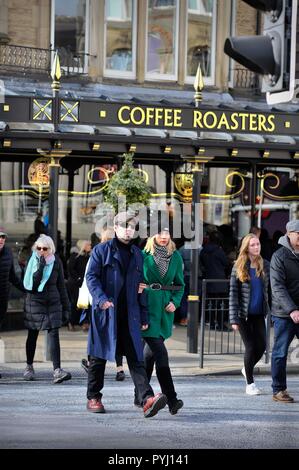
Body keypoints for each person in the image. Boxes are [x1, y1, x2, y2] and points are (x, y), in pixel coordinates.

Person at [85, 212, 167, 416]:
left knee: (136, 358)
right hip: (106, 312)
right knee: (98, 357)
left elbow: (142, 287)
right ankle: (94, 397)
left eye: (132, 226)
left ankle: (146, 399)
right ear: (115, 227)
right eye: (125, 226)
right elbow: (91, 277)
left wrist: (145, 315)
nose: (129, 229)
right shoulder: (101, 250)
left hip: (130, 314)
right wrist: (101, 299)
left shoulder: (138, 254)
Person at [138, 229, 185, 415]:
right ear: (152, 236)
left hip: (165, 311)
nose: (164, 237)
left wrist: (175, 302)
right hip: (147, 309)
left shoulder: (176, 257)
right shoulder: (142, 256)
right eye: (160, 233)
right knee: (160, 354)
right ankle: (172, 399)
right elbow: (135, 281)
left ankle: (140, 395)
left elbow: (180, 285)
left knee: (148, 356)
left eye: (167, 234)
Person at [23, 234, 72, 384]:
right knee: (33, 334)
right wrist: (41, 265)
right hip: (35, 303)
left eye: (45, 248)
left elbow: (61, 286)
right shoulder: (32, 261)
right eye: (39, 248)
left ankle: (57, 370)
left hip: (52, 303)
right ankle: (29, 366)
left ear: (51, 249)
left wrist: (66, 307)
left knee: (54, 334)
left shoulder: (56, 261)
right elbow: (32, 285)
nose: (42, 251)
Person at [229, 233, 270, 395]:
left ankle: (247, 369)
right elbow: (233, 293)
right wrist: (233, 319)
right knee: (251, 347)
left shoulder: (265, 265)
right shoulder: (238, 266)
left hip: (259, 313)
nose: (256, 247)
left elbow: (270, 289)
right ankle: (250, 384)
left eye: (258, 244)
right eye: (252, 245)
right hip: (243, 314)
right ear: (246, 247)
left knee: (262, 346)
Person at [270, 220, 299, 403]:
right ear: (289, 234)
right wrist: (292, 309)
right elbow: (277, 287)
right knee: (280, 352)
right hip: (284, 314)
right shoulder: (279, 256)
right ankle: (279, 390)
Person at [0, 228, 24, 378]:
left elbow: (12, 276)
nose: (1, 239)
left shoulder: (8, 253)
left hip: (2, 298)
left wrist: (26, 288)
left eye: (3, 237)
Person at [66, 240, 92, 331]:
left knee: (86, 303)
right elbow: (70, 269)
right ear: (83, 246)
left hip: (85, 283)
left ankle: (84, 322)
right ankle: (71, 322)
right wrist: (78, 278)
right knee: (75, 303)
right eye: (88, 244)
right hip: (75, 284)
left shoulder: (89, 257)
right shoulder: (75, 256)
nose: (90, 246)